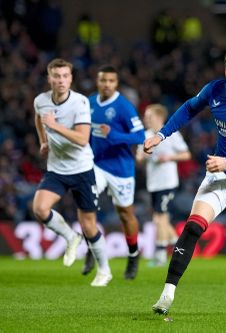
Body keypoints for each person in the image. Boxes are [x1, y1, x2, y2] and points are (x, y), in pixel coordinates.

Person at [144, 45, 226, 315]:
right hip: (220, 175)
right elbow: (189, 108)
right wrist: (161, 135)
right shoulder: (214, 90)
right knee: (194, 226)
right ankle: (167, 294)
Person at [32, 58, 112, 287]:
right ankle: (70, 237)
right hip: (57, 168)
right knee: (39, 208)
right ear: (49, 78)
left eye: (65, 76)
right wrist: (43, 141)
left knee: (88, 224)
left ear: (71, 78)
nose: (61, 80)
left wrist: (54, 126)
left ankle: (104, 270)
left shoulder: (80, 103)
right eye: (56, 76)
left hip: (82, 169)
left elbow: (82, 139)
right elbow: (39, 118)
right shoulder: (41, 101)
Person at [82, 65, 145, 279]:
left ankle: (133, 255)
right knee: (86, 203)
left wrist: (115, 135)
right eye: (103, 80)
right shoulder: (89, 103)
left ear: (116, 83)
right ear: (97, 82)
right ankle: (93, 247)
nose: (106, 84)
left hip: (121, 169)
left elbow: (140, 137)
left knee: (126, 215)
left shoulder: (124, 107)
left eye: (111, 81)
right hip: (97, 165)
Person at [136, 104, 191, 267]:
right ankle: (180, 245)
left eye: (149, 116)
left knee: (160, 217)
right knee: (159, 218)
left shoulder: (171, 134)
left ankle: (160, 254)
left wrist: (169, 157)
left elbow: (186, 154)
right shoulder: (145, 135)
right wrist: (144, 155)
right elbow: (139, 159)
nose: (146, 119)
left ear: (159, 118)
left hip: (167, 182)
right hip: (153, 183)